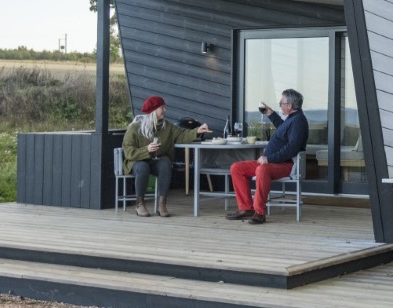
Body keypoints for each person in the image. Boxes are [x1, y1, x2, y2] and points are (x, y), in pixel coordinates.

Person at [226, 89, 308, 224]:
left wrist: (269, 159)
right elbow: (282, 128)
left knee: (262, 170)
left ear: (290, 106)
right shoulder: (292, 119)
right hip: (271, 162)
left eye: (281, 102)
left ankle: (259, 213)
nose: (279, 104)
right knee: (237, 168)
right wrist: (271, 113)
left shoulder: (299, 121)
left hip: (286, 165)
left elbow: (292, 148)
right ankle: (246, 209)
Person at [122, 95, 208, 217]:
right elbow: (128, 151)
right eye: (162, 108)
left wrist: (197, 131)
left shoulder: (166, 126)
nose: (165, 110)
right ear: (153, 110)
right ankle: (140, 204)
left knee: (165, 163)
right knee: (142, 167)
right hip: (136, 161)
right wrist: (146, 150)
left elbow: (182, 134)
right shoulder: (135, 128)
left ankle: (162, 203)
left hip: (155, 161)